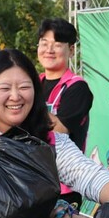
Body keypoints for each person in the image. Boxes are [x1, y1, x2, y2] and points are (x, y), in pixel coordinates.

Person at [0, 49, 109, 218]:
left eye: (24, 87)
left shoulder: (50, 142)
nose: (15, 96)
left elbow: (90, 176)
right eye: (4, 88)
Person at [37, 18, 94, 206]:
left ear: (71, 50)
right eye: (44, 44)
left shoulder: (77, 88)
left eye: (57, 44)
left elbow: (60, 130)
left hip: (64, 188)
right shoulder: (33, 83)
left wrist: (29, 102)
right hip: (33, 180)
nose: (49, 50)